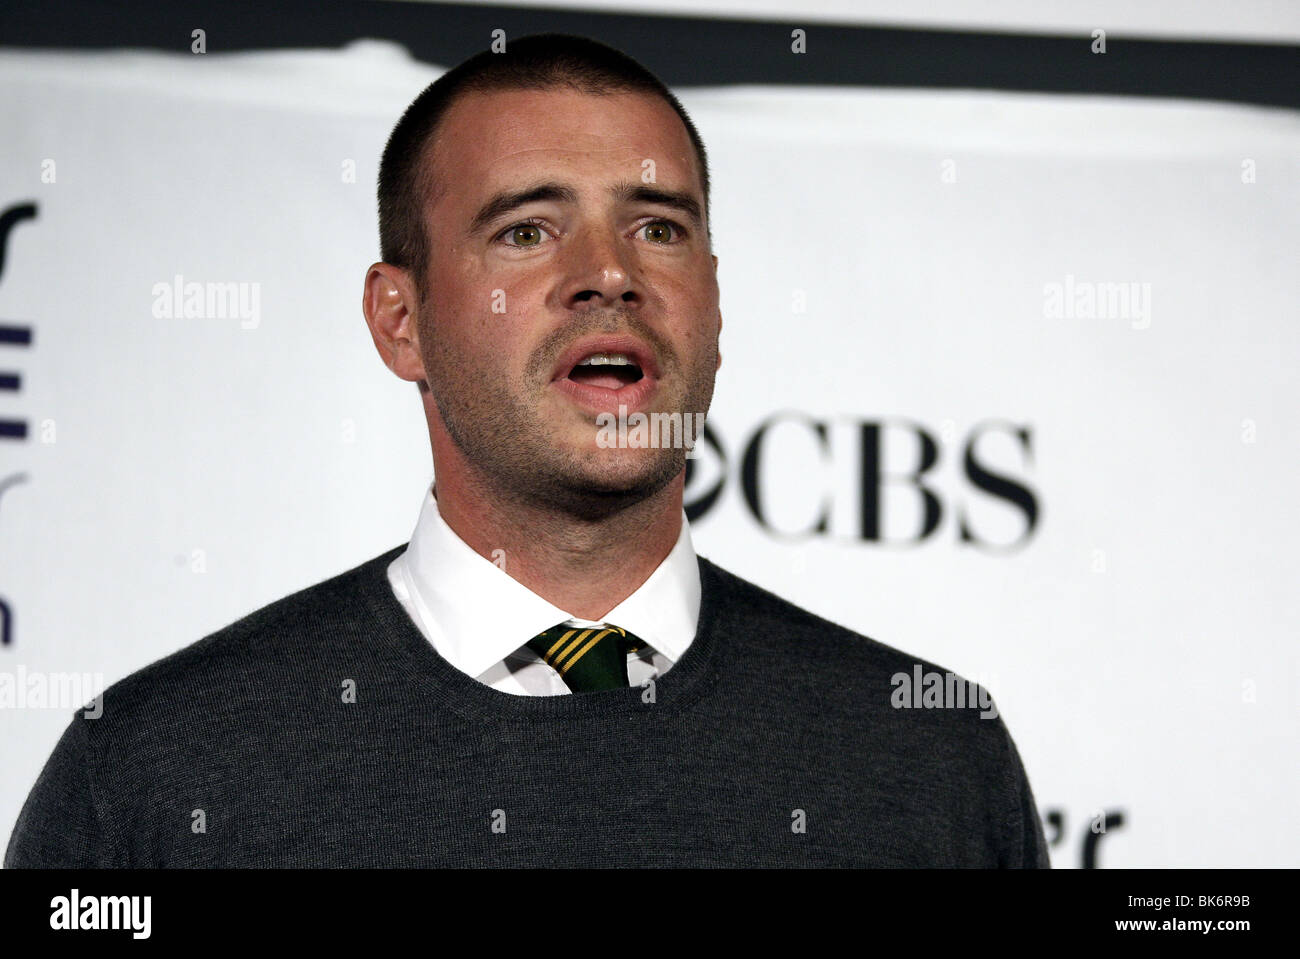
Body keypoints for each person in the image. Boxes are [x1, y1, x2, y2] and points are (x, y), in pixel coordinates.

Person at [5, 33, 1049, 868]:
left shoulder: (928, 759)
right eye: (527, 231)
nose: (608, 274)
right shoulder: (156, 768)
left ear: (716, 303)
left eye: (658, 228)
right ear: (399, 319)